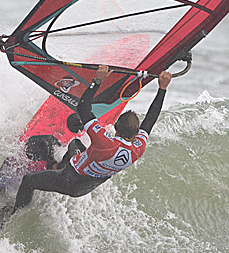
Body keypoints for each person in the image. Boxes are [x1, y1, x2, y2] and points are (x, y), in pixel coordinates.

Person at [11, 65, 172, 212]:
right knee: (76, 144)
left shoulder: (104, 142)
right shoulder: (138, 148)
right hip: (88, 185)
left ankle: (14, 212)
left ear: (116, 126)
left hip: (68, 180)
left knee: (28, 180)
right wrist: (162, 89)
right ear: (135, 133)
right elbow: (151, 119)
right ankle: (54, 166)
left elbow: (83, 107)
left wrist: (97, 81)